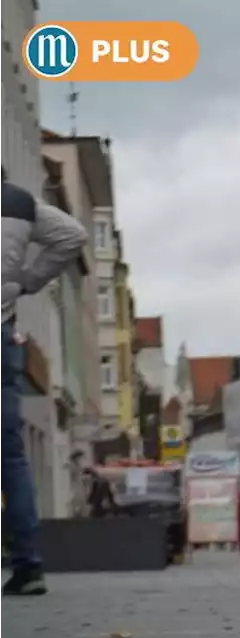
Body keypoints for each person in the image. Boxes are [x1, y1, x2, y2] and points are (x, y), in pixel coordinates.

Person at [0, 178, 88, 596]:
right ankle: (28, 566)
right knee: (11, 458)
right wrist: (26, 282)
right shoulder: (18, 203)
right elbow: (73, 235)